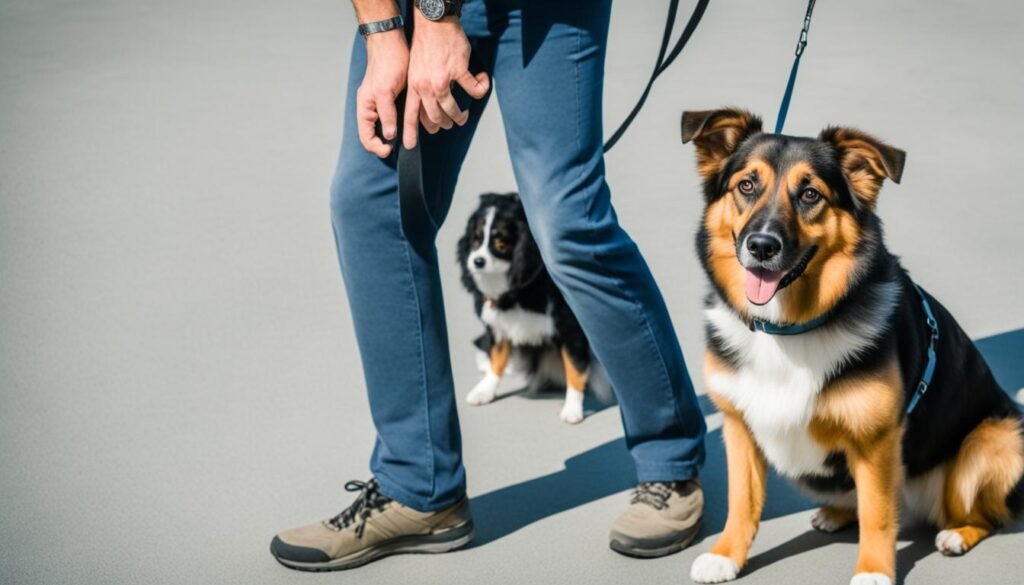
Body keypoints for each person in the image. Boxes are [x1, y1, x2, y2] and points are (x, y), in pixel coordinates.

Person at [270, 0, 707, 571]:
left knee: (567, 224)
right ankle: (417, 486)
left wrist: (439, 19)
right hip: (410, 12)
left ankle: (669, 459)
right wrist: (381, 31)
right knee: (369, 207)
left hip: (544, 12)